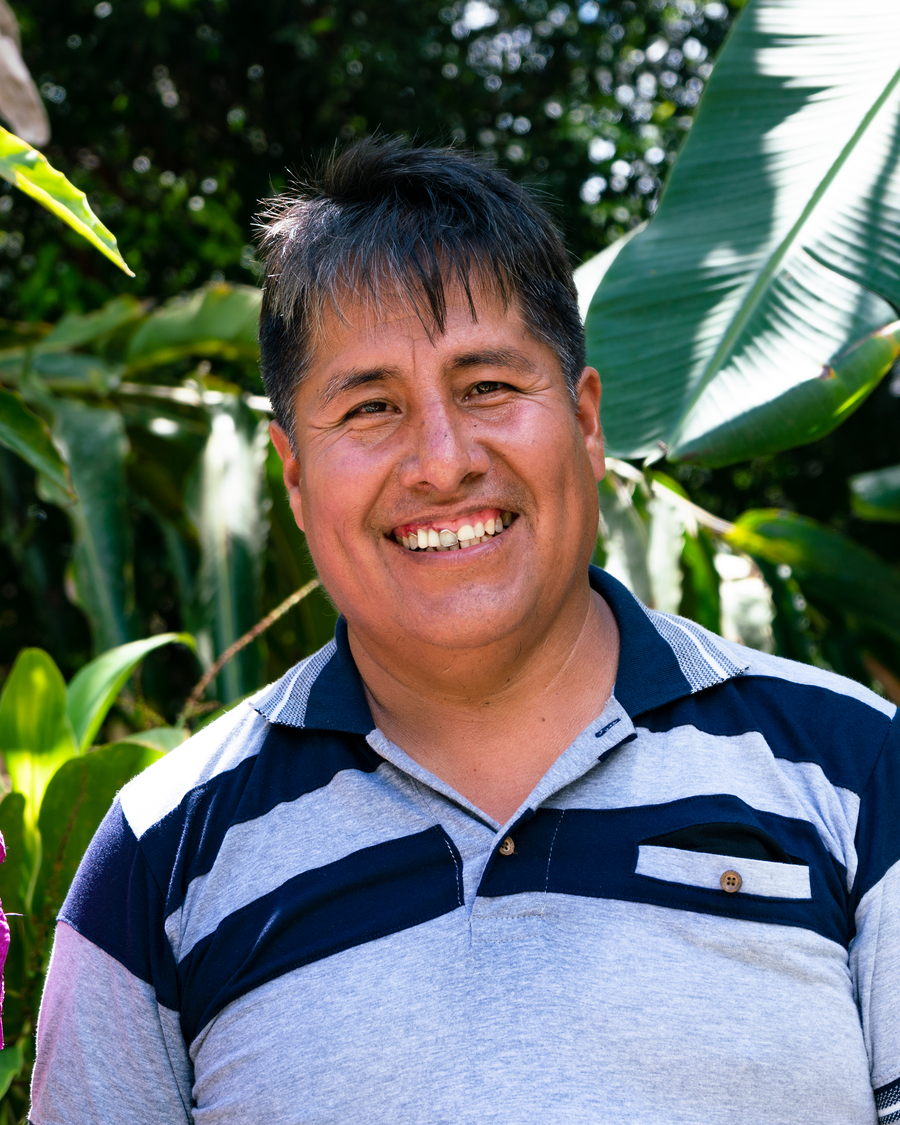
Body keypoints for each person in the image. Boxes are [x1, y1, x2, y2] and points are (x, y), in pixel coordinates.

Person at [30, 138, 900, 1125]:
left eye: (487, 387)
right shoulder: (161, 862)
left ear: (584, 423)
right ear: (296, 480)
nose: (442, 462)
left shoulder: (858, 775)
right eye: (370, 408)